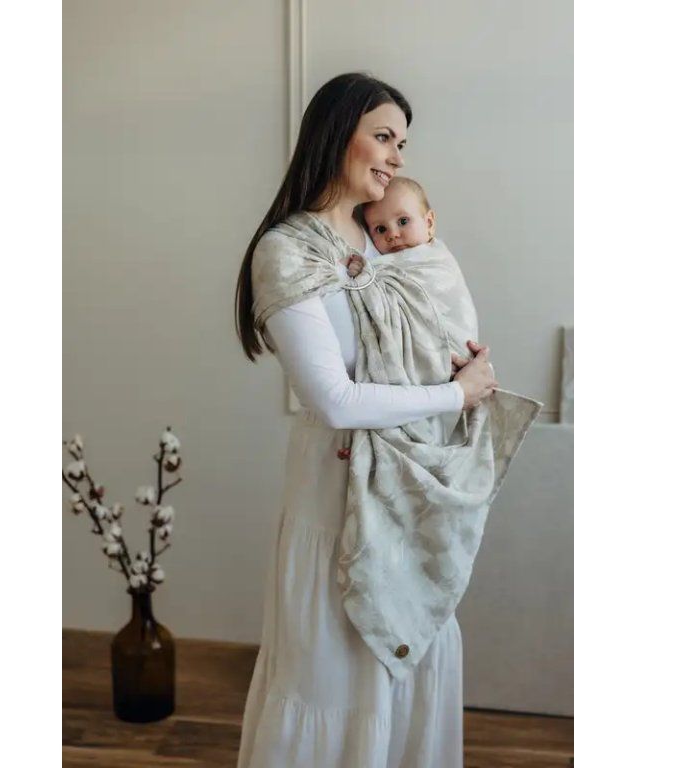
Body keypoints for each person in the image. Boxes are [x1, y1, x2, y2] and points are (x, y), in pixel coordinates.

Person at [234, 72, 498, 768]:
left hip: (405, 501)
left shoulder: (387, 236)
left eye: (401, 143)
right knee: (331, 685)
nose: (395, 157)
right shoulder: (286, 252)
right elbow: (335, 400)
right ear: (336, 133)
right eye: (383, 137)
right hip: (334, 504)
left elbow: (429, 329)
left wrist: (460, 365)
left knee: (404, 675)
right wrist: (455, 395)